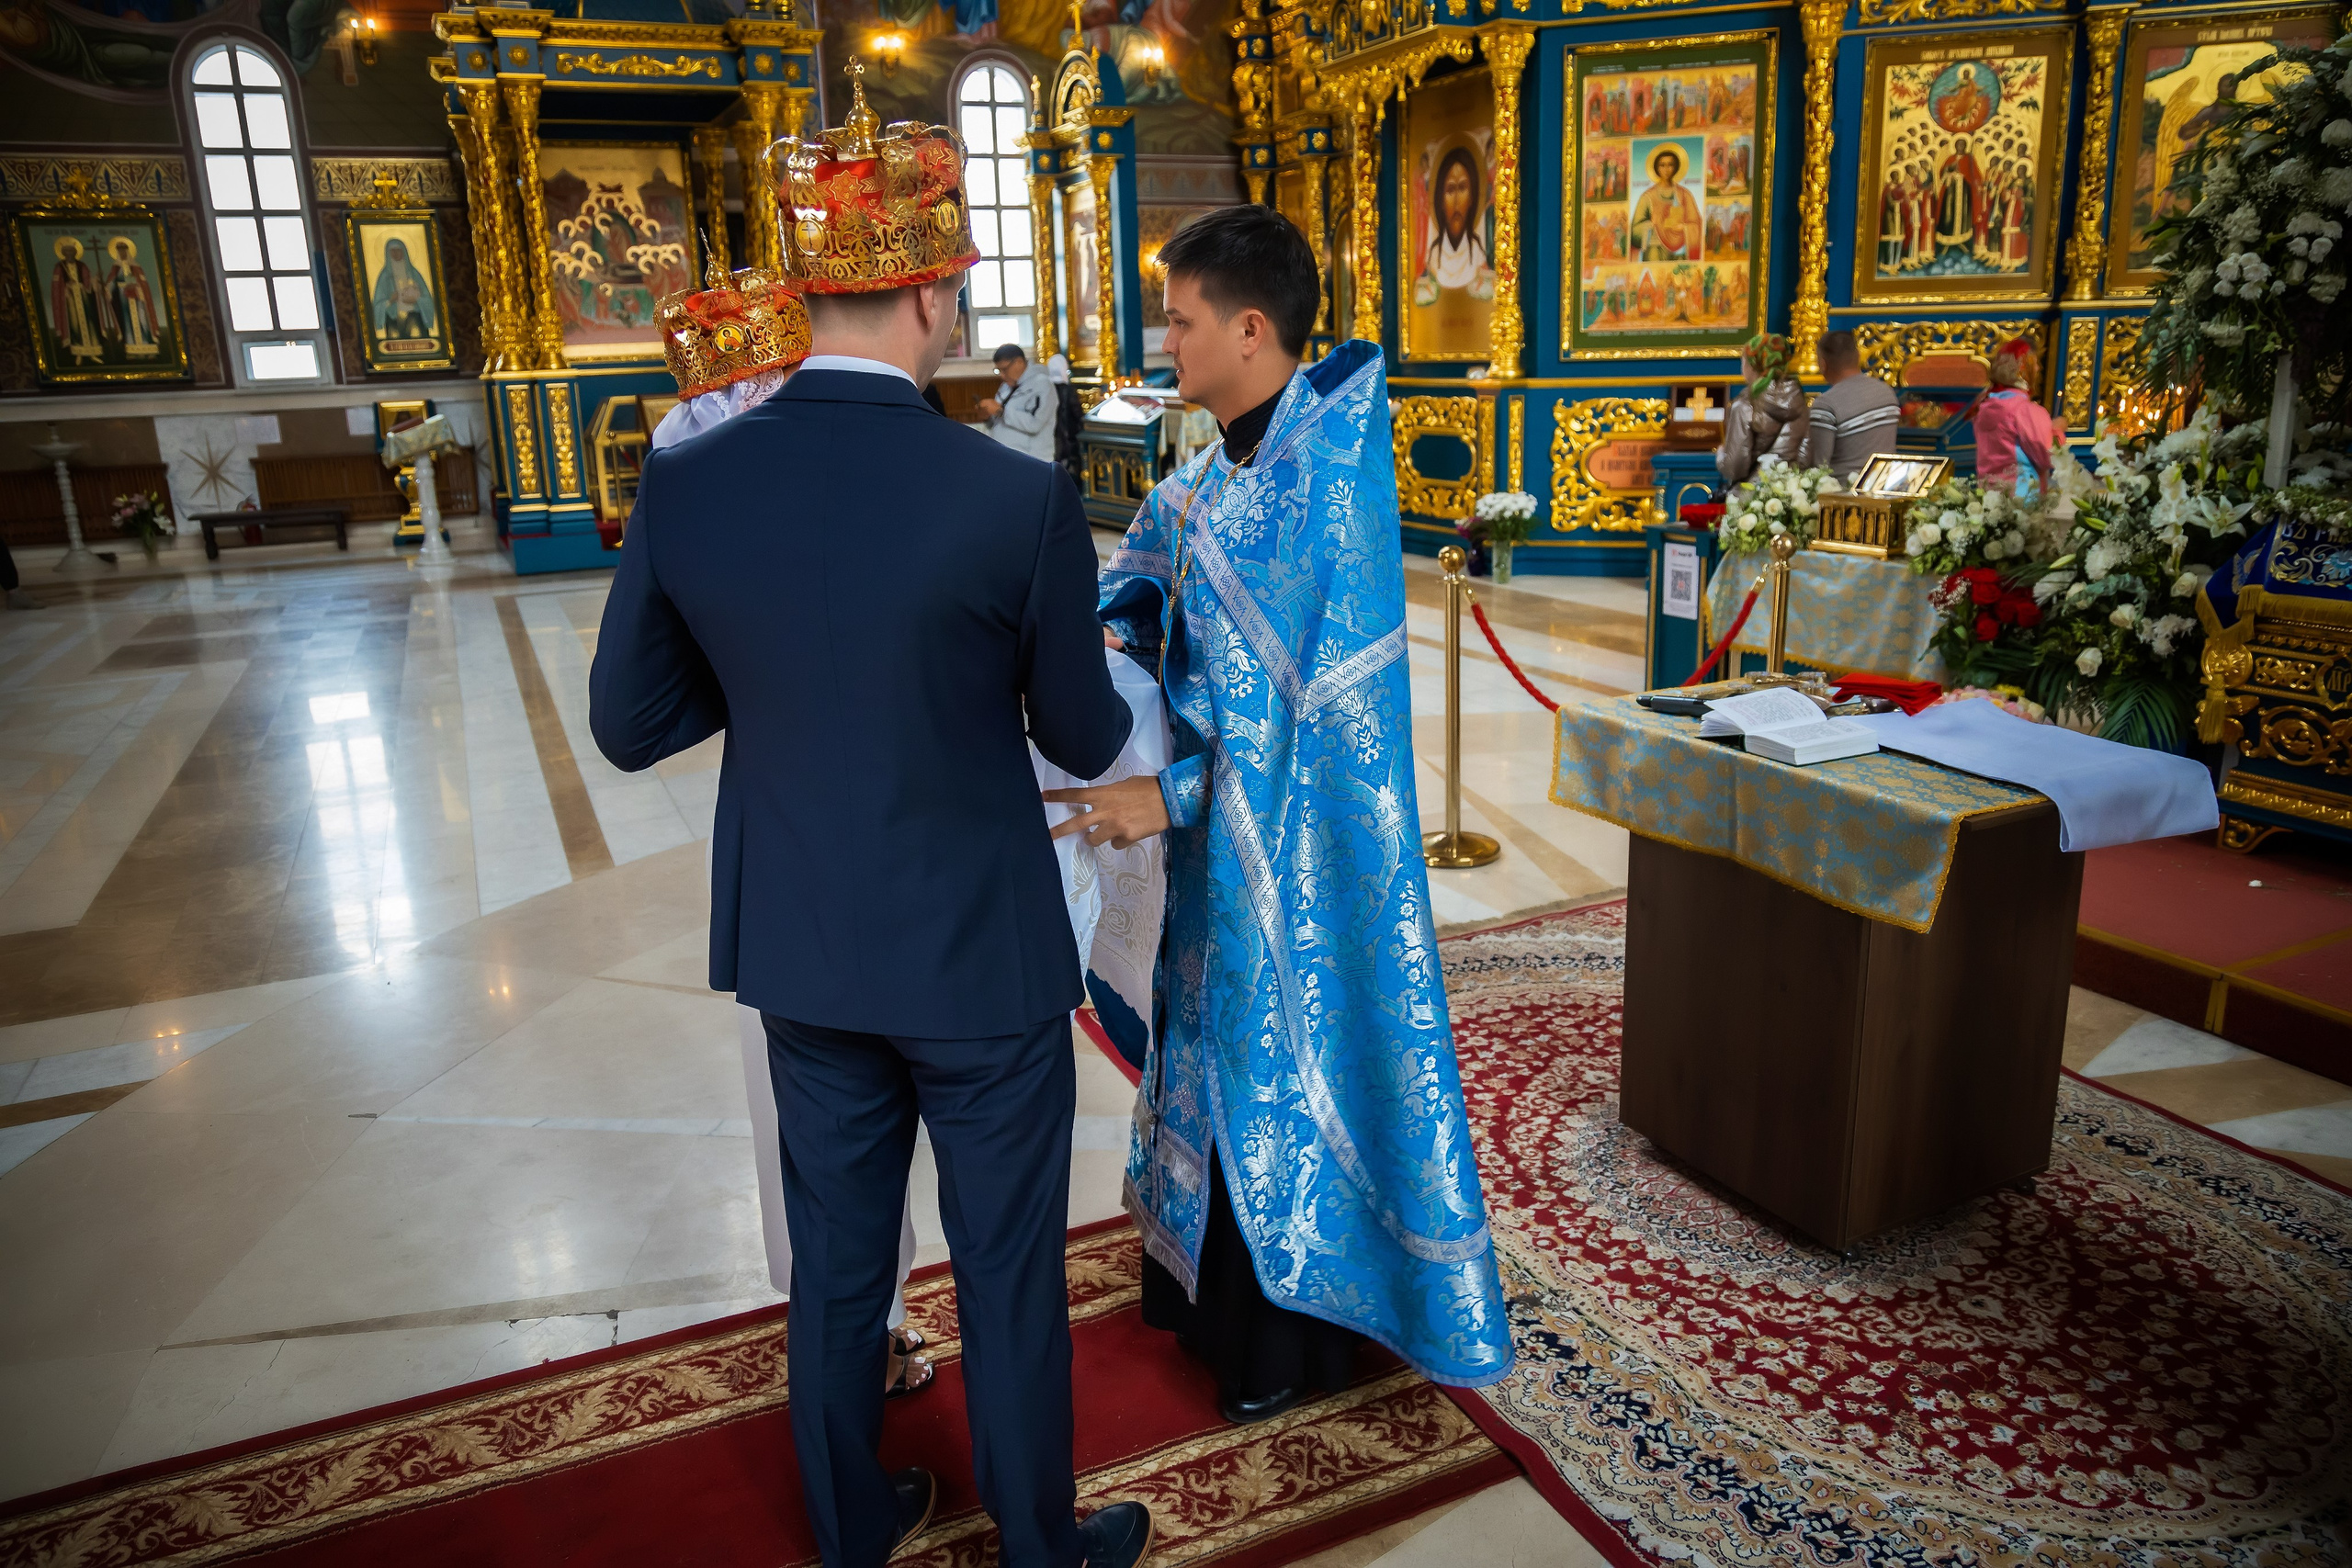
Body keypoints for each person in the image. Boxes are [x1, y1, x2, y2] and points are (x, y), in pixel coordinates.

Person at [590, 70, 1152, 1568]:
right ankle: (1041, 1545)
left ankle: (852, 1532)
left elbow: (628, 721)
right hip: (980, 955)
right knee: (1010, 1263)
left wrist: (783, 684)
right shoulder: (1009, 495)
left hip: (807, 943)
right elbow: (1083, 735)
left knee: (841, 1265)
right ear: (923, 295)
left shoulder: (690, 481)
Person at [1045, 205, 1514, 1424]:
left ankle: (1282, 1337)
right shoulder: (1213, 471)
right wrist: (1115, 618)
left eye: (1184, 323)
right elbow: (1149, 565)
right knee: (1206, 1045)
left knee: (1274, 1056)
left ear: (1252, 328)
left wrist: (1170, 791)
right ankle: (1201, 1289)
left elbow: (1321, 738)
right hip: (1216, 844)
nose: (1168, 347)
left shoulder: (1326, 486)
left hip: (1295, 851)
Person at [648, 259, 936, 1404]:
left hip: (836, 850)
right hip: (840, 847)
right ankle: (857, 1319)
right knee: (812, 1118)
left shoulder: (820, 466)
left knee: (833, 1112)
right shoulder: (722, 473)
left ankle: (866, 1321)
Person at [1800, 330, 1899, 481]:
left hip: (1843, 497)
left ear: (1822, 364)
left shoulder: (1826, 405)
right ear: (1858, 356)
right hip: (1885, 488)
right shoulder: (1887, 392)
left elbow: (1817, 469)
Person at [1716, 330, 1810, 485]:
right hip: (1793, 493)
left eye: (1743, 362)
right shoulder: (1799, 400)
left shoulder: (1745, 405)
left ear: (1753, 366)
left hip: (1753, 497)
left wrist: (1721, 456)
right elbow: (1806, 456)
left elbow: (1736, 467)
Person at [1969, 336, 2059, 494]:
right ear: (2023, 368)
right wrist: (2057, 430)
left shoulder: (1983, 404)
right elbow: (2047, 456)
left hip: (1989, 495)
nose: (2038, 369)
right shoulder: (2025, 410)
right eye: (2035, 363)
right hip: (2022, 498)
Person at [978, 342, 1057, 460]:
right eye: (998, 370)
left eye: (1004, 369)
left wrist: (1000, 411)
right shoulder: (1006, 386)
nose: (1002, 375)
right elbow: (998, 422)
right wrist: (987, 416)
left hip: (1032, 459)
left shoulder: (1042, 384)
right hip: (1006, 457)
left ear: (1019, 362)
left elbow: (1034, 424)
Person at [1632, 145, 1701, 261]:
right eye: (1662, 165)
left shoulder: (1685, 195)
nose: (1666, 169)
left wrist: (1683, 227)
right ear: (1656, 168)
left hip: (1680, 247)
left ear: (1676, 167)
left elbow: (1696, 223)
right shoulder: (1647, 197)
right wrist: (1650, 224)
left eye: (1670, 165)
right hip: (1655, 244)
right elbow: (1635, 229)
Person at [1047, 352, 1085, 488]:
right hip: (1068, 435)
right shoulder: (1067, 389)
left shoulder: (1046, 388)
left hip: (1052, 434)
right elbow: (1077, 413)